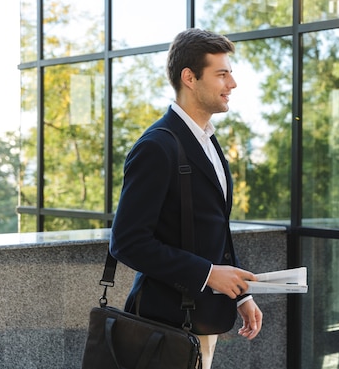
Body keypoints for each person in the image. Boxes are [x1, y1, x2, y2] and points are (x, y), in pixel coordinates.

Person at [110, 28, 263, 368]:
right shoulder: (156, 146)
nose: (232, 84)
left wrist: (241, 295)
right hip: (165, 326)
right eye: (222, 74)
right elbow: (126, 241)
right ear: (189, 78)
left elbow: (215, 226)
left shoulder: (209, 142)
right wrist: (208, 274)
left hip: (199, 320)